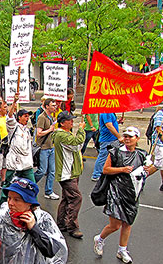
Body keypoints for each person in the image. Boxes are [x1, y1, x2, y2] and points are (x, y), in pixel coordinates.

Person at [93, 127, 157, 264]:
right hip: (116, 191)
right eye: (126, 136)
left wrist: (149, 168)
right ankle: (100, 239)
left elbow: (149, 172)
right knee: (115, 225)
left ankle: (122, 250)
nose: (127, 139)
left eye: (131, 137)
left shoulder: (142, 154)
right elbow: (106, 169)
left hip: (132, 193)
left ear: (137, 139)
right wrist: (122, 169)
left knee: (128, 223)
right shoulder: (115, 152)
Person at [53, 111, 86, 239]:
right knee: (76, 198)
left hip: (71, 172)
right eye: (69, 120)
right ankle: (72, 226)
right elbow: (76, 145)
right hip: (67, 174)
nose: (72, 122)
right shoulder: (61, 134)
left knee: (67, 198)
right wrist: (81, 130)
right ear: (62, 123)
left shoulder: (65, 133)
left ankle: (61, 223)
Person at [0, 107, 35, 206]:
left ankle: (32, 205)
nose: (27, 118)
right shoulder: (14, 127)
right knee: (8, 185)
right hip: (14, 164)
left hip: (26, 164)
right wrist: (14, 102)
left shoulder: (27, 130)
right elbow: (10, 117)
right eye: (25, 116)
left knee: (32, 185)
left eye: (28, 116)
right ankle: (2, 204)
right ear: (19, 117)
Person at [34, 98, 59, 199]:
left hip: (51, 147)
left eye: (55, 105)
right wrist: (50, 130)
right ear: (47, 106)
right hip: (44, 148)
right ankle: (30, 183)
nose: (55, 107)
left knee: (52, 171)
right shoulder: (42, 117)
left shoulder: (51, 117)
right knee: (42, 170)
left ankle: (49, 191)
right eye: (53, 105)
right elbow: (39, 133)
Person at [91, 112, 123, 181]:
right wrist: (119, 137)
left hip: (112, 139)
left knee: (111, 157)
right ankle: (96, 174)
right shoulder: (107, 112)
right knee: (103, 157)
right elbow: (109, 125)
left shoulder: (110, 113)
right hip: (107, 140)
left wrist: (118, 122)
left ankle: (107, 172)